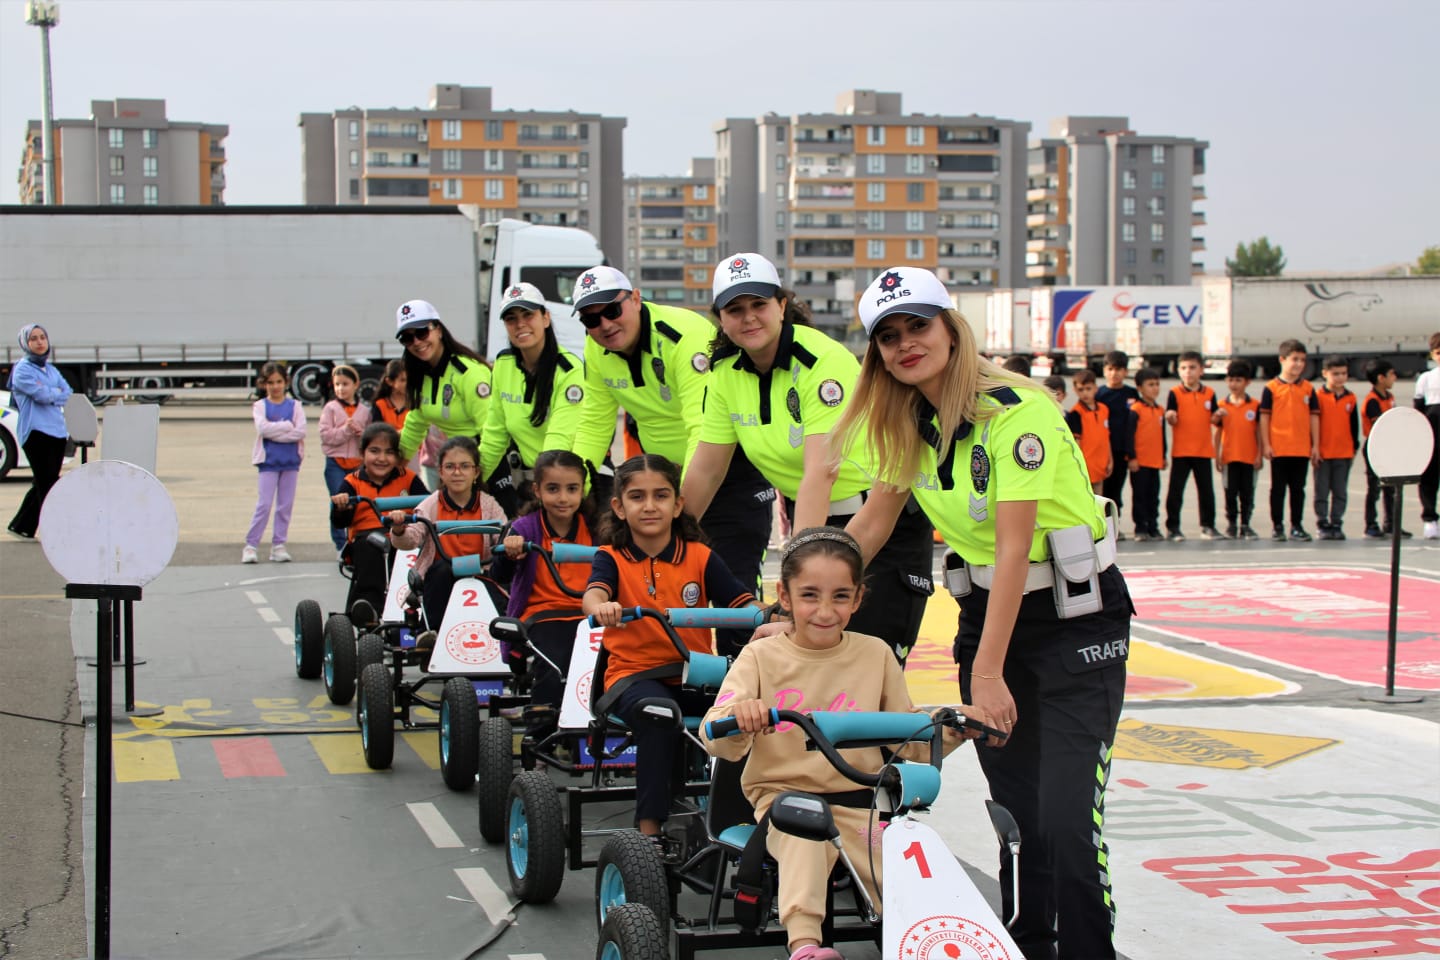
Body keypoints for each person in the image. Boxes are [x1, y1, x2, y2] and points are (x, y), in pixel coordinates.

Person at [833, 266, 1130, 960]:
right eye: (889, 335)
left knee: (1065, 820)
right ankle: (1030, 945)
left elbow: (1013, 543)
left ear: (951, 329)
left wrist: (987, 673)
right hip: (986, 627)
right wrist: (804, 596)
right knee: (1019, 818)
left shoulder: (1016, 411)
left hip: (1074, 625)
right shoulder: (907, 425)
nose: (906, 344)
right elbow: (872, 524)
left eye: (919, 326)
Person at [700, 528, 970, 960]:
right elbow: (715, 734)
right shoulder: (760, 658)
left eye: (840, 597)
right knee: (805, 835)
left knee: (911, 870)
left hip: (862, 802)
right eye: (810, 595)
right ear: (784, 597)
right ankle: (805, 946)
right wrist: (742, 718)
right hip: (784, 799)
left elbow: (910, 741)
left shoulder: (876, 654)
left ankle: (930, 943)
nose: (825, 611)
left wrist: (953, 727)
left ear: (858, 599)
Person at [681, 253, 934, 663]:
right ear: (720, 318)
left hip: (880, 520)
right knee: (809, 668)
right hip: (812, 521)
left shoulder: (821, 360)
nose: (749, 318)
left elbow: (821, 472)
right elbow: (707, 470)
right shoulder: (724, 371)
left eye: (759, 305)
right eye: (735, 309)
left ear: (781, 305)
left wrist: (798, 577)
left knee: (865, 668)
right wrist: (668, 544)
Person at [569, 265, 772, 655]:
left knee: (736, 601)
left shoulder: (684, 336)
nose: (605, 325)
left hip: (727, 474)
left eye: (612, 310)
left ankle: (746, 702)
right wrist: (570, 490)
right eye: (591, 319)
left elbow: (702, 428)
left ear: (636, 298)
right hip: (665, 485)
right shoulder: (597, 348)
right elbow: (594, 422)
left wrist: (679, 514)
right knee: (665, 603)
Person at [583, 454, 758, 839]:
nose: (649, 506)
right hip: (633, 677)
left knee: (749, 715)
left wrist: (771, 617)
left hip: (695, 675)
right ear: (619, 507)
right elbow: (593, 594)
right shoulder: (610, 557)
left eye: (661, 496)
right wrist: (603, 608)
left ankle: (741, 823)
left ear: (678, 505)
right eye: (637, 497)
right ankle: (649, 833)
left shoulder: (700, 556)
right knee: (659, 714)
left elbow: (741, 603)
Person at [491, 449, 596, 743]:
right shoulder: (524, 528)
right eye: (553, 489)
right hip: (542, 615)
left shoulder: (597, 528)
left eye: (572, 489)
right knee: (554, 664)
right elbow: (498, 574)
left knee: (614, 664)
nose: (563, 498)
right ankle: (541, 738)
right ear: (537, 490)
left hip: (590, 615)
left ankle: (599, 732)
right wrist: (510, 550)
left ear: (582, 491)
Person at [480, 283, 586, 517]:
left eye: (528, 315)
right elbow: (494, 434)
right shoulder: (503, 365)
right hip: (533, 485)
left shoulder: (569, 371)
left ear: (546, 318)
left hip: (570, 487)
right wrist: (474, 481)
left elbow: (559, 441)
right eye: (511, 318)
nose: (520, 324)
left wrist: (545, 492)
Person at [387, 435, 507, 632]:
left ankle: (499, 639)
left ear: (476, 472)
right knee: (442, 569)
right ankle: (432, 632)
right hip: (440, 578)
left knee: (501, 591)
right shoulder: (431, 504)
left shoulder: (488, 504)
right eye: (450, 467)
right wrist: (399, 528)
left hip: (480, 572)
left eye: (464, 466)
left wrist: (510, 541)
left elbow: (502, 534)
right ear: (441, 473)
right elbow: (411, 539)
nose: (457, 473)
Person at [330, 422, 428, 626]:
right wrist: (342, 507)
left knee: (418, 550)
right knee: (372, 546)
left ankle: (417, 618)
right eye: (374, 451)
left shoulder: (408, 479)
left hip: (404, 535)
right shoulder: (352, 482)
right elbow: (340, 523)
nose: (382, 459)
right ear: (363, 453)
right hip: (367, 538)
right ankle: (368, 608)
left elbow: (429, 506)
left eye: (389, 453)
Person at [394, 298, 492, 465]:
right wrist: (393, 469)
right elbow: (414, 426)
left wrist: (478, 473)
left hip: (486, 460)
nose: (417, 342)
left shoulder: (468, 372)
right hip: (457, 463)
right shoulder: (421, 375)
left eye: (422, 332)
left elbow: (491, 429)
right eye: (407, 338)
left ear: (438, 330)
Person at [6, 324, 72, 540]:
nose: (39, 342)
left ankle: (21, 525)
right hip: (36, 433)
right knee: (48, 483)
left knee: (45, 480)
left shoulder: (50, 369)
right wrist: (54, 392)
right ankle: (54, 529)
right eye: (33, 338)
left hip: (57, 432)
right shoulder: (23, 369)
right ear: (25, 343)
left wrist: (51, 392)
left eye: (42, 337)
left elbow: (67, 392)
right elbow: (41, 395)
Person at [243, 362, 305, 564]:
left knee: (285, 506)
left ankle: (279, 545)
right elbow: (263, 429)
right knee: (264, 504)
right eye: (271, 382)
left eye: (279, 381)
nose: (275, 386)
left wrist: (278, 431)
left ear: (285, 382)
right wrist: (286, 427)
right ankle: (251, 545)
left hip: (290, 462)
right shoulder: (260, 406)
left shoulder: (295, 406)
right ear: (264, 384)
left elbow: (300, 431)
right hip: (268, 462)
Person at [1260, 339, 1320, 542]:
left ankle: (1297, 525)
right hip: (1279, 447)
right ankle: (1277, 526)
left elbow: (1314, 417)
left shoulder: (1308, 389)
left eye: (1302, 360)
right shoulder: (1271, 388)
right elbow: (1265, 417)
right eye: (1294, 359)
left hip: (1301, 448)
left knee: (1298, 489)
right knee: (1278, 489)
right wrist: (1266, 444)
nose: (1299, 364)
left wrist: (1315, 445)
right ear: (1282, 360)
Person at [1164, 350, 1222, 541]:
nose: (1188, 372)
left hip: (1203, 450)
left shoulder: (1210, 394)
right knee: (1176, 491)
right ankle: (1173, 527)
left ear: (1201, 370)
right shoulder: (1175, 393)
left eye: (1192, 367)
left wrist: (1218, 416)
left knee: (1206, 491)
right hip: (1181, 450)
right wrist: (1170, 417)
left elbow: (1213, 418)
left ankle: (1208, 526)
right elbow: (1171, 415)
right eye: (1183, 368)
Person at [320, 364, 371, 553]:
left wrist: (360, 433)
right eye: (337, 384)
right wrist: (345, 431)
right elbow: (326, 436)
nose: (341, 388)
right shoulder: (331, 408)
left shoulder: (364, 411)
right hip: (336, 462)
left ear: (356, 385)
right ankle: (340, 544)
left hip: (356, 463)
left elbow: (369, 439)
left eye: (345, 384)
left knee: (356, 502)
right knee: (339, 501)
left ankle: (354, 538)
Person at [1211, 359, 1262, 540]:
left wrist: (1259, 454)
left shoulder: (1254, 405)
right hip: (1229, 457)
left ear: (1247, 382)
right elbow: (1217, 432)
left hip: (1248, 457)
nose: (1234, 384)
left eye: (1238, 380)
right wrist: (1216, 455)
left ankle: (1246, 524)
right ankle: (1232, 524)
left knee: (1247, 493)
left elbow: (1258, 431)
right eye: (1231, 380)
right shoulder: (1222, 406)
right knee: (1230, 492)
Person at [1313, 356, 1359, 540]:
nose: (1340, 378)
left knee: (1340, 491)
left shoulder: (1351, 397)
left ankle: (1337, 522)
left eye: (1343, 373)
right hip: (1324, 451)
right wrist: (1314, 447)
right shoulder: (1318, 396)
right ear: (1325, 374)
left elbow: (1353, 424)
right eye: (1335, 374)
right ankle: (1322, 523)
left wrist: (1354, 447)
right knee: (1322, 490)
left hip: (1344, 452)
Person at [1360, 358, 1406, 539]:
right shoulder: (1372, 400)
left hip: (1389, 447)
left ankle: (1391, 523)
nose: (1394, 377)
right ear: (1381, 378)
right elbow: (1381, 425)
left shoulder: (1390, 397)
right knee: (1374, 488)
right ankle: (1371, 524)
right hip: (1375, 447)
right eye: (1391, 374)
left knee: (1391, 488)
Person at [1095, 351, 1139, 528]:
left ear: (1126, 372)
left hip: (1122, 450)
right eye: (1110, 369)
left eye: (1119, 369)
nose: (1115, 373)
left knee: (1116, 492)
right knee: (1102, 492)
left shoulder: (1132, 393)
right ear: (1105, 371)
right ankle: (1103, 528)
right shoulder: (1099, 394)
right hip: (1103, 450)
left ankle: (1115, 527)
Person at [1128, 368, 1167, 542]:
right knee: (1140, 496)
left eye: (1157, 384)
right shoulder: (1136, 409)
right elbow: (1129, 435)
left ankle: (1153, 526)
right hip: (1141, 461)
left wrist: (1164, 455)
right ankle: (1140, 528)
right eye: (1150, 385)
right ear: (1140, 388)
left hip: (1155, 460)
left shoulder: (1160, 410)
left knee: (1154, 496)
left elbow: (1162, 435)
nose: (1155, 388)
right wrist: (1132, 457)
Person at [1064, 368, 1111, 494]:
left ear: (1096, 388)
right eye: (1081, 390)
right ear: (1075, 391)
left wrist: (1110, 460)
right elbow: (1076, 444)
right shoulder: (1076, 413)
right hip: (1085, 468)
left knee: (1099, 503)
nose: (1085, 393)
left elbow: (1106, 437)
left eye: (1088, 389)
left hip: (1100, 465)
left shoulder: (1104, 409)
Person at [1415, 332, 1440, 540]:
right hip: (1432, 437)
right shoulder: (1425, 379)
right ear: (1432, 354)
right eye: (1439, 353)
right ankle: (1430, 519)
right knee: (1429, 479)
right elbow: (1419, 410)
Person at [370, 359, 410, 433]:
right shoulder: (380, 405)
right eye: (403, 380)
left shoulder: (416, 404)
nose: (408, 384)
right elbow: (376, 432)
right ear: (389, 382)